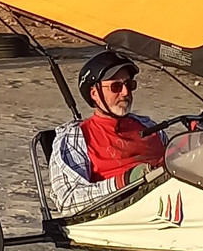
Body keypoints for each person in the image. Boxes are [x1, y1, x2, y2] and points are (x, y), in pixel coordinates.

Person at [49, 50, 166, 214]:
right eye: (116, 86)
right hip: (126, 214)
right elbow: (68, 201)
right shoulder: (75, 138)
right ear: (94, 93)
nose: (125, 92)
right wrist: (123, 182)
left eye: (129, 84)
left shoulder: (149, 126)